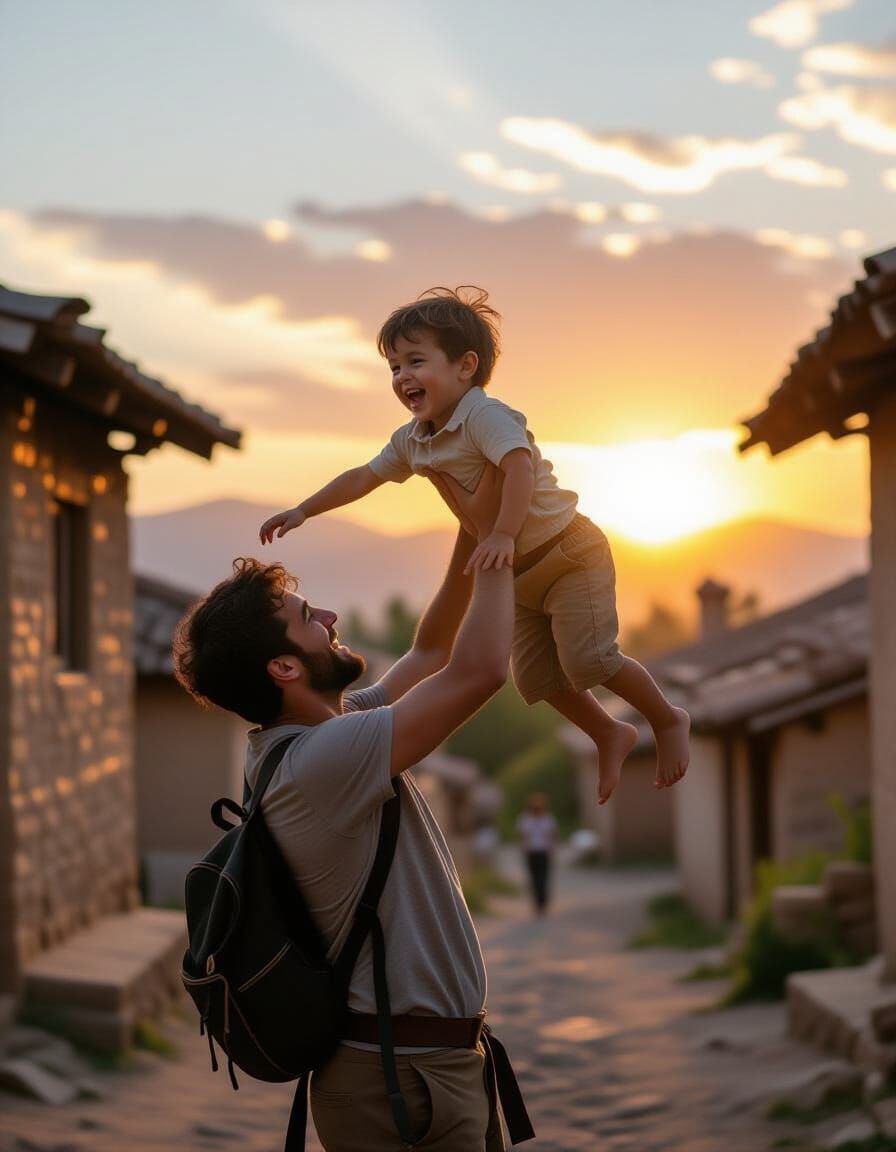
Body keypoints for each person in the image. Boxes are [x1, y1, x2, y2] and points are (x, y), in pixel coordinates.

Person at [174, 466, 528, 1152]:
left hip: (419, 1068)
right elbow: (480, 669)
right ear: (284, 668)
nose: (331, 618)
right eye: (309, 618)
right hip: (399, 1079)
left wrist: (473, 521)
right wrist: (500, 541)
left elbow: (431, 650)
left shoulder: (316, 737)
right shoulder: (323, 761)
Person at [259, 286, 690, 805]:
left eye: (416, 361)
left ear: (466, 366)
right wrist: (304, 509)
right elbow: (363, 476)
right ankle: (606, 731)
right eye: (394, 367)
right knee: (538, 679)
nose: (402, 377)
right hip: (516, 574)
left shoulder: (485, 416)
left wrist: (501, 532)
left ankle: (666, 718)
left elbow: (518, 467)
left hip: (567, 554)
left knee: (589, 660)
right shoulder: (413, 439)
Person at [516, 793, 556, 916]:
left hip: (536, 852)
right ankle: (541, 904)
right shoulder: (546, 819)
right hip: (537, 852)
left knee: (538, 879)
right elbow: (551, 836)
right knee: (540, 878)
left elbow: (523, 837)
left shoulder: (527, 819)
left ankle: (540, 904)